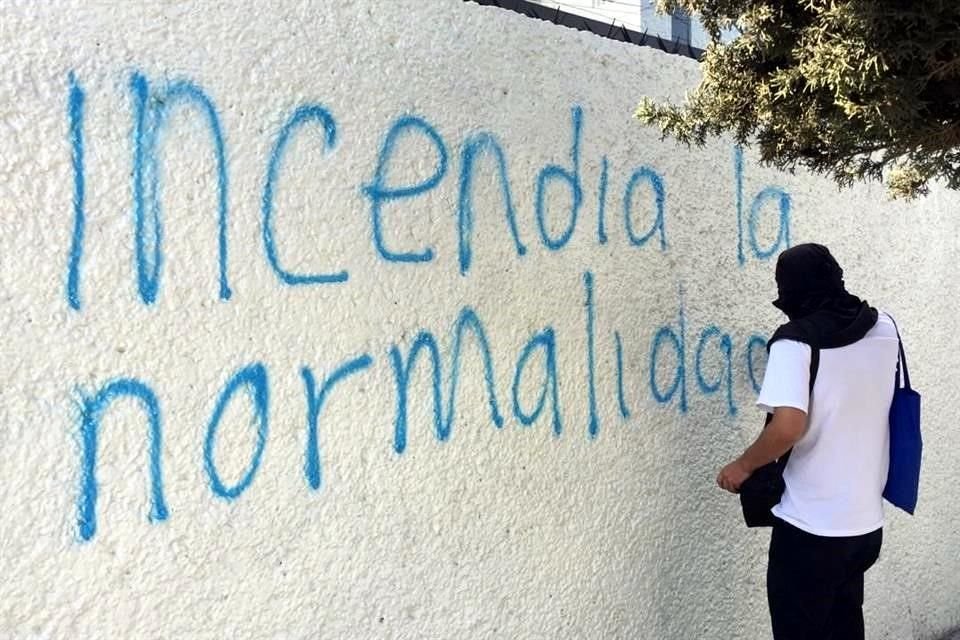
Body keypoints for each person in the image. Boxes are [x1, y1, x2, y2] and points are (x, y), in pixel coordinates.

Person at [716, 243, 899, 640]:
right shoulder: (885, 327)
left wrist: (743, 466)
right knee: (844, 629)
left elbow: (787, 427)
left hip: (811, 530)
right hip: (865, 526)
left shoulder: (794, 342)